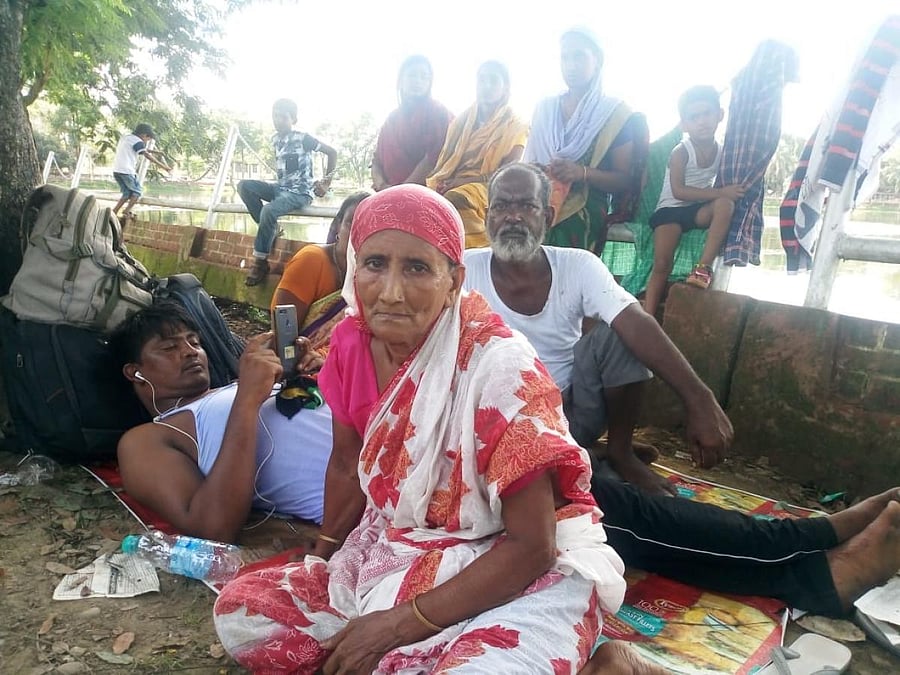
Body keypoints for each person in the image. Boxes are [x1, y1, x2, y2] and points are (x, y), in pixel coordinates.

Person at [213, 184, 636, 674]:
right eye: (375, 264)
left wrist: (399, 625)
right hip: (403, 544)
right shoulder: (350, 342)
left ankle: (610, 662)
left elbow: (533, 546)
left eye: (417, 268)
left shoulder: (499, 367)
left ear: (453, 281)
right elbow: (347, 464)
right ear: (354, 268)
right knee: (244, 615)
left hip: (512, 564)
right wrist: (325, 557)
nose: (391, 292)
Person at [464, 162, 731, 497]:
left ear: (548, 217)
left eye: (527, 206)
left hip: (572, 413)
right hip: (497, 421)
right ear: (487, 216)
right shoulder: (463, 271)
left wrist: (700, 399)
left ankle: (619, 452)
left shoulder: (578, 265)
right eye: (501, 206)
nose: (513, 217)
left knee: (619, 332)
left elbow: (636, 320)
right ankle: (584, 456)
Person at [110, 303, 331, 543]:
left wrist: (324, 376)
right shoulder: (147, 439)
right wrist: (247, 399)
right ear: (134, 372)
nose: (190, 352)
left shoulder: (241, 385)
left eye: (195, 342)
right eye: (169, 347)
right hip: (355, 499)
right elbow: (212, 528)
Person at [523, 27, 648, 255]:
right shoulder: (545, 109)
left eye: (579, 56)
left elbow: (624, 180)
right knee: (510, 219)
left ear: (597, 61)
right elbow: (530, 163)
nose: (571, 65)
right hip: (539, 192)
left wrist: (581, 173)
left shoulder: (614, 113)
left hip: (587, 199)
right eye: (565, 57)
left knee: (559, 229)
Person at [642, 86, 747, 318]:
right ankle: (647, 316)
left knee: (726, 205)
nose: (702, 122)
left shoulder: (723, 152)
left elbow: (723, 194)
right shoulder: (681, 152)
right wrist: (720, 192)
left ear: (720, 115)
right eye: (694, 117)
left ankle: (703, 268)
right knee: (662, 264)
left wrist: (723, 195)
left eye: (707, 114)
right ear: (684, 125)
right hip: (670, 210)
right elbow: (678, 191)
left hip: (696, 210)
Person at [425, 60, 528, 248]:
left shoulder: (516, 125)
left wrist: (464, 182)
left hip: (492, 186)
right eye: (482, 80)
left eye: (493, 80)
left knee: (457, 199)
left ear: (505, 88)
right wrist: (447, 182)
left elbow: (507, 173)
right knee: (422, 202)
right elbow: (447, 163)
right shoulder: (460, 123)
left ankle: (478, 255)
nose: (486, 86)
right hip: (454, 181)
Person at [238, 98, 338, 287]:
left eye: (283, 117)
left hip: (299, 193)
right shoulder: (275, 139)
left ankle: (260, 262)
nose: (278, 121)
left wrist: (326, 182)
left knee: (268, 211)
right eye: (275, 116)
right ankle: (271, 229)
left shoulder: (303, 138)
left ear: (294, 119)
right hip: (280, 188)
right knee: (244, 186)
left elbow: (332, 153)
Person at [271, 191, 370, 355]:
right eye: (350, 223)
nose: (357, 233)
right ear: (338, 225)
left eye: (367, 226)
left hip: (349, 361)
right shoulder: (311, 260)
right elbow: (282, 335)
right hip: (300, 361)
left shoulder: (375, 273)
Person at [371, 55, 453, 192]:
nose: (418, 81)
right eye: (412, 75)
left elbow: (434, 158)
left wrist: (402, 190)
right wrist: (382, 186)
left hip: (426, 192)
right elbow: (377, 162)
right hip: (386, 191)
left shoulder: (438, 113)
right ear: (401, 80)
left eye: (424, 77)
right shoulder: (392, 119)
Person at [112, 123, 171, 219]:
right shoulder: (138, 141)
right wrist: (164, 166)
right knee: (137, 192)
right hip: (127, 171)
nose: (146, 141)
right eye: (147, 139)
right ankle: (127, 211)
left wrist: (156, 152)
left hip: (117, 170)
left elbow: (139, 148)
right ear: (144, 135)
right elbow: (146, 154)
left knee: (127, 193)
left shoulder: (126, 138)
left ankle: (114, 211)